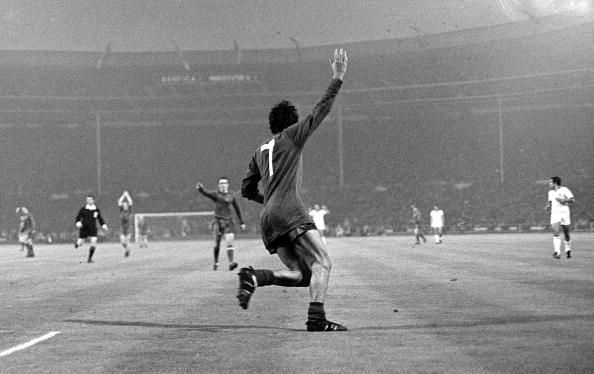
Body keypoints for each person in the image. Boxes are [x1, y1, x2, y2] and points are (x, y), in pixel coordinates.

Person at [239, 48, 348, 332]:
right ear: (290, 123)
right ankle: (317, 320)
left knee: (302, 274)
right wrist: (337, 78)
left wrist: (268, 200)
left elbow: (246, 189)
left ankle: (255, 277)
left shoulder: (259, 151)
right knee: (324, 261)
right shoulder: (292, 136)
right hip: (289, 212)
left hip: (268, 219)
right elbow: (320, 111)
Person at [196, 177, 246, 271]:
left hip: (229, 222)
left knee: (229, 242)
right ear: (219, 186)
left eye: (224, 183)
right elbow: (207, 193)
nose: (223, 185)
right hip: (218, 222)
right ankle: (216, 262)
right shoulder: (216, 195)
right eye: (221, 183)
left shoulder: (232, 195)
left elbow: (237, 209)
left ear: (227, 185)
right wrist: (201, 189)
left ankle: (231, 263)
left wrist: (241, 222)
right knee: (217, 244)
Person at [545, 176, 575, 259]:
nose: (549, 183)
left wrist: (563, 200)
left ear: (555, 182)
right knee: (555, 231)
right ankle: (557, 252)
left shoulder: (564, 189)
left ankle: (568, 249)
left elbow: (572, 200)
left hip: (564, 212)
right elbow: (550, 201)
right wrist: (548, 206)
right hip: (555, 213)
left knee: (566, 233)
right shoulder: (550, 192)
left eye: (550, 182)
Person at [75, 195, 108, 263]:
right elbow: (78, 217)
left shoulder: (96, 209)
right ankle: (78, 244)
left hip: (92, 228)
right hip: (84, 228)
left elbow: (100, 218)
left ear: (93, 201)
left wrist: (103, 225)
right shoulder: (83, 209)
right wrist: (78, 223)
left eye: (90, 199)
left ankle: (89, 258)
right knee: (81, 243)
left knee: (94, 241)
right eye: (87, 200)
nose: (89, 201)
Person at [117, 190, 133, 257]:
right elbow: (119, 202)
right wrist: (123, 195)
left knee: (127, 241)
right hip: (122, 228)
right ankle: (128, 250)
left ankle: (127, 252)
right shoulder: (121, 211)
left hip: (128, 228)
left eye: (126, 205)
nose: (125, 206)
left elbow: (130, 202)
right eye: (124, 205)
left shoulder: (129, 211)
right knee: (122, 242)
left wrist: (127, 195)